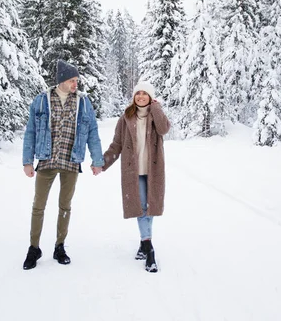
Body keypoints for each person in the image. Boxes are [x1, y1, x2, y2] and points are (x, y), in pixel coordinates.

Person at [22, 59, 104, 270]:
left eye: (76, 80)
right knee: (38, 206)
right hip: (46, 160)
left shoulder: (83, 102)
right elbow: (30, 132)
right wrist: (27, 161)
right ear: (60, 80)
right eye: (71, 80)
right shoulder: (41, 101)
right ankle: (34, 248)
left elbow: (93, 132)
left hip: (71, 161)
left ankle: (59, 246)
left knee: (65, 206)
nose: (75, 84)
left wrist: (97, 160)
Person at [103, 81, 171, 272]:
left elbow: (164, 129)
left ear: (150, 97)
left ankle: (143, 243)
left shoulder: (155, 116)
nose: (140, 96)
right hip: (133, 172)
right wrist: (103, 162)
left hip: (153, 171)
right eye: (137, 93)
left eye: (145, 94)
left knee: (150, 208)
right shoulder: (125, 118)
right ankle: (149, 248)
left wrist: (156, 107)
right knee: (142, 207)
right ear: (134, 97)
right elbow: (116, 145)